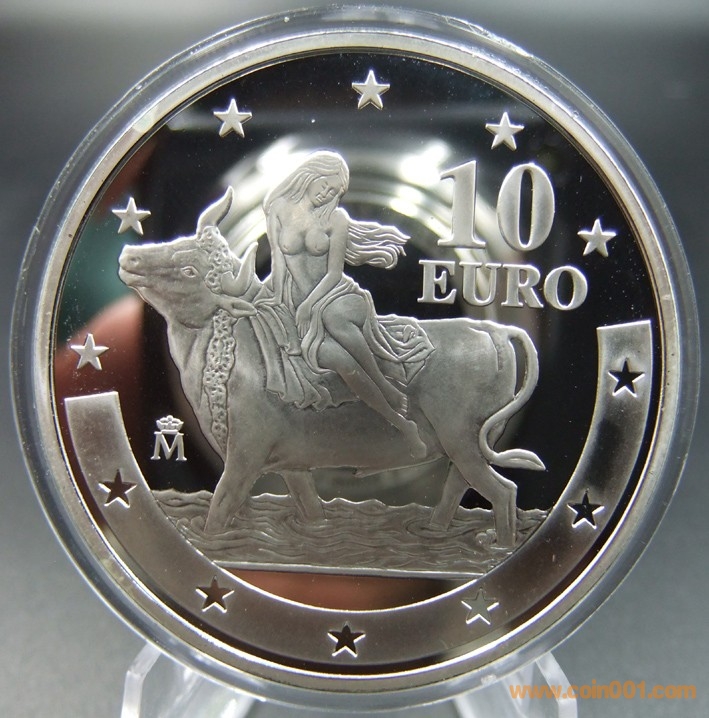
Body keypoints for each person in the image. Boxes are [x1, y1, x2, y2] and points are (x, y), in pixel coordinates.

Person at [251, 150, 428, 459]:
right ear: (311, 174)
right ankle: (401, 424)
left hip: (335, 295)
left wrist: (311, 305)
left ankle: (383, 383)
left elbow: (334, 273)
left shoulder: (336, 218)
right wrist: (276, 301)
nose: (327, 194)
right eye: (326, 185)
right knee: (342, 363)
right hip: (294, 299)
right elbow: (278, 263)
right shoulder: (278, 208)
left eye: (334, 191)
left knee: (334, 317)